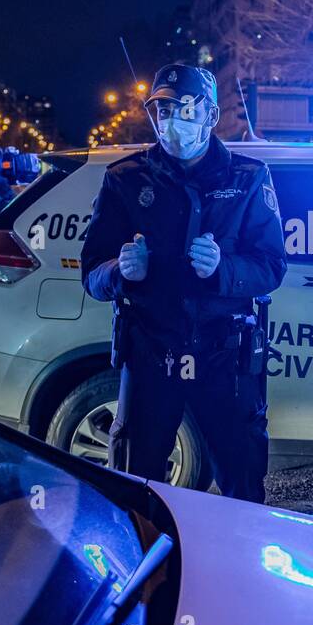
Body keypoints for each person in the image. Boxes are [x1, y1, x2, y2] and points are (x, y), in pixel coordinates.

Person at [80, 63, 286, 502]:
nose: (172, 120)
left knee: (241, 484)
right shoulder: (125, 178)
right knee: (136, 486)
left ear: (210, 116)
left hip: (224, 355)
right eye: (162, 109)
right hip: (152, 351)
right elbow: (92, 272)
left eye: (184, 108)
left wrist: (224, 269)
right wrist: (120, 271)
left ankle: (235, 570)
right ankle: (154, 569)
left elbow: (271, 266)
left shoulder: (248, 179)